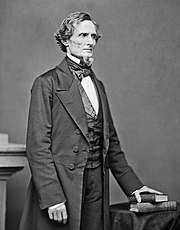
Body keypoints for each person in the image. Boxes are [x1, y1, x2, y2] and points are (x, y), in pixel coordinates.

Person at [19, 11, 162, 230]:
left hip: (97, 184)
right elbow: (38, 147)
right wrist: (52, 197)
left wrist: (135, 188)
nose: (90, 42)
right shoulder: (46, 83)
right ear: (66, 40)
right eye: (83, 35)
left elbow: (111, 143)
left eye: (93, 37)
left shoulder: (98, 85)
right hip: (63, 186)